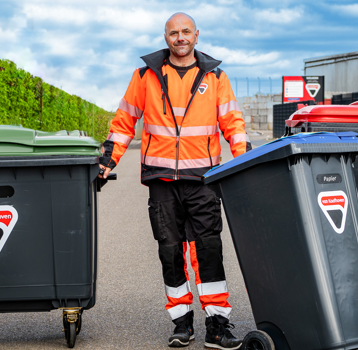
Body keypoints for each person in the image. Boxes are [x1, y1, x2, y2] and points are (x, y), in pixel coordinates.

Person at [98, 12, 250, 350]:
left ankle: (217, 324)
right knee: (170, 252)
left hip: (203, 179)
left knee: (209, 250)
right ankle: (182, 324)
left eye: (185, 32)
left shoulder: (216, 77)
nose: (179, 38)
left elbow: (233, 122)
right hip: (161, 179)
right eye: (173, 33)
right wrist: (108, 160)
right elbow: (124, 122)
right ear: (165, 37)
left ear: (197, 35)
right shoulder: (145, 76)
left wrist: (243, 160)